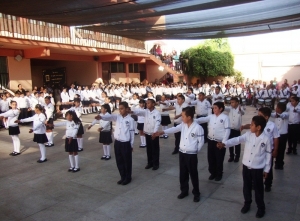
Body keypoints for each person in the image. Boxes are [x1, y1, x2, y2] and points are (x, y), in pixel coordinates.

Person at [217, 116, 271, 218]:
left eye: (252, 125)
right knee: (246, 186)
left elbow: (268, 155)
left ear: (258, 127)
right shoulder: (248, 135)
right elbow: (237, 140)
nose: (250, 126)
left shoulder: (266, 139)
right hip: (246, 166)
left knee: (259, 189)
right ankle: (247, 203)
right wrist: (225, 144)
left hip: (258, 168)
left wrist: (267, 169)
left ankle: (261, 207)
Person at [153, 106, 204, 202]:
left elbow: (201, 142)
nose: (182, 117)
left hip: (191, 154)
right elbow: (174, 129)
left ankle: (196, 193)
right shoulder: (183, 125)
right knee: (183, 173)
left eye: (183, 116)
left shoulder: (198, 128)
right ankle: (184, 191)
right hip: (182, 153)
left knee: (193, 174)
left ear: (189, 117)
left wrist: (195, 151)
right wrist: (162, 132)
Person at [241, 107, 279, 192]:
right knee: (256, 169)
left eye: (260, 115)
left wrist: (275, 150)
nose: (258, 116)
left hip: (268, 150)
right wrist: (243, 126)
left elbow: (276, 138)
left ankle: (268, 183)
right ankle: (255, 183)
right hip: (258, 150)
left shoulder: (272, 125)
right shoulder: (257, 123)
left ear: (266, 117)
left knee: (268, 167)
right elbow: (250, 125)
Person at [96, 102, 134, 185]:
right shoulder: (117, 117)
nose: (120, 110)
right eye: (119, 109)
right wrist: (101, 117)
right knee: (119, 160)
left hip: (125, 143)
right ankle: (122, 176)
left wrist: (131, 144)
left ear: (127, 109)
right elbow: (109, 117)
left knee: (127, 161)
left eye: (122, 108)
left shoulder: (130, 120)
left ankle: (128, 177)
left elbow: (131, 133)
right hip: (117, 142)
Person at [195, 102, 230, 181]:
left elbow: (227, 130)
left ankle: (219, 173)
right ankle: (212, 173)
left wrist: (223, 142)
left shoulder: (225, 118)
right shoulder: (211, 116)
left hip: (219, 142)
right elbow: (202, 119)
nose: (213, 109)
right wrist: (193, 120)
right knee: (211, 158)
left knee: (219, 158)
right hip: (211, 140)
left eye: (215, 108)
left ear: (221, 109)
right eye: (213, 108)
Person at [132, 99, 161, 170]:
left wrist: (154, 132)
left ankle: (156, 163)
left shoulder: (157, 113)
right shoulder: (146, 111)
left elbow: (157, 122)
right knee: (149, 149)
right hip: (147, 133)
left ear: (153, 104)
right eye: (146, 103)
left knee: (155, 149)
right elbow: (139, 112)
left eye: (148, 103)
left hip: (154, 134)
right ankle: (150, 162)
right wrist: (132, 111)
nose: (147, 104)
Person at [224, 97, 245, 163]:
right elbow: (225, 108)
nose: (231, 104)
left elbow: (243, 112)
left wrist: (240, 109)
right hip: (231, 129)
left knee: (237, 143)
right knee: (230, 143)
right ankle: (231, 156)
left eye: (233, 102)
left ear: (237, 103)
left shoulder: (240, 108)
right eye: (231, 102)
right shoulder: (230, 108)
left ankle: (237, 157)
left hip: (237, 129)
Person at [270, 102, 288, 170]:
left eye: (277, 108)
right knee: (275, 148)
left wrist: (278, 115)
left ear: (280, 109)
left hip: (283, 134)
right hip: (276, 135)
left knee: (281, 150)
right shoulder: (275, 114)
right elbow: (271, 114)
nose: (276, 108)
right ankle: (276, 162)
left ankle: (280, 163)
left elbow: (283, 116)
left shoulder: (286, 114)